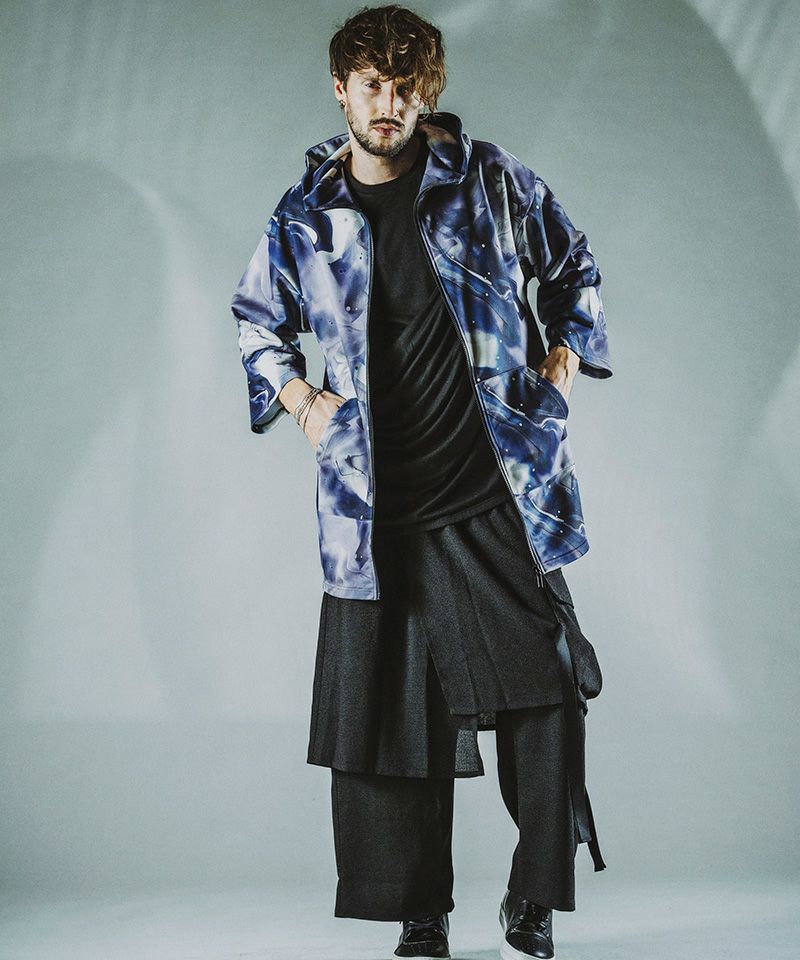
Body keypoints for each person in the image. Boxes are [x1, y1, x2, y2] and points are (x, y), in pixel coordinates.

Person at [230, 6, 613, 958]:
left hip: (494, 490)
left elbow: (574, 267)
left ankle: (531, 898)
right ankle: (419, 914)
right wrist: (303, 403)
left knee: (547, 690)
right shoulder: (306, 216)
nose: (388, 104)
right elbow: (255, 321)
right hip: (376, 512)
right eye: (372, 85)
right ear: (341, 88)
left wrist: (560, 368)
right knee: (391, 717)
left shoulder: (490, 181)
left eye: (406, 88)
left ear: (426, 93)